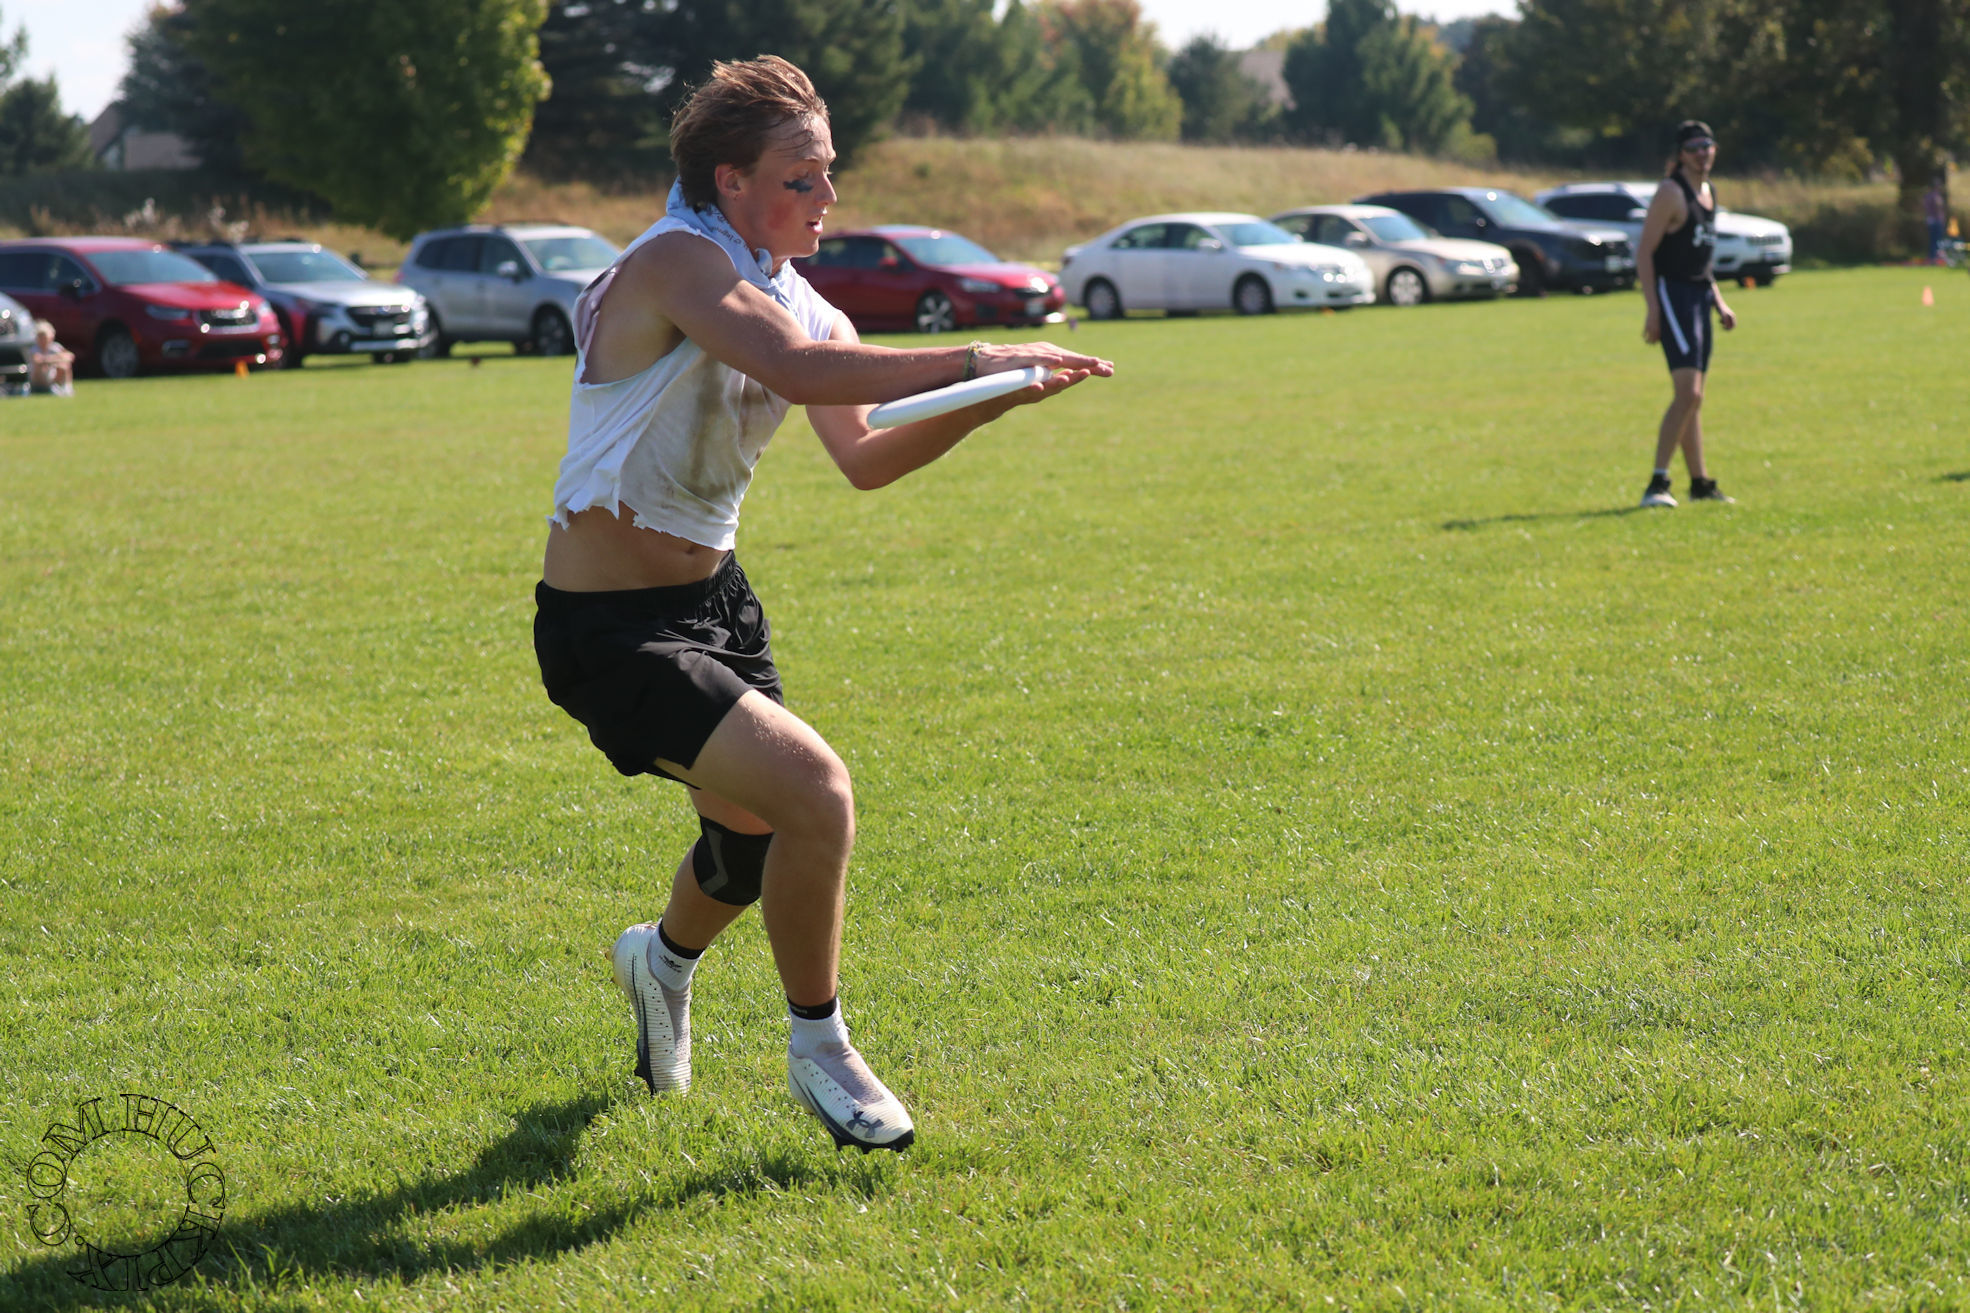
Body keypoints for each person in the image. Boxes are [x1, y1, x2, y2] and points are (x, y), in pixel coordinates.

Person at [532, 56, 1111, 1153]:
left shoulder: (805, 301)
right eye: (802, 178)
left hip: (715, 603)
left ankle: (659, 961)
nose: (828, 197)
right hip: (607, 628)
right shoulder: (676, 261)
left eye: (829, 172)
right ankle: (820, 1048)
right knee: (816, 793)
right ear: (729, 179)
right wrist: (977, 350)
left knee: (748, 837)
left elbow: (864, 458)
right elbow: (796, 371)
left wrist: (985, 400)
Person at [1636, 120, 1737, 508]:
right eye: (1693, 148)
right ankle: (1657, 484)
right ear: (1680, 155)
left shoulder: (1709, 192)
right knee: (1688, 393)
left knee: (1693, 398)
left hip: (1698, 298)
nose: (1701, 154)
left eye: (1706, 146)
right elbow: (1645, 252)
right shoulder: (1670, 192)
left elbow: (1701, 261)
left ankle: (1700, 484)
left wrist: (1719, 301)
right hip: (1673, 296)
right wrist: (1653, 309)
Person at [28, 320, 75, 396]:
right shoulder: (34, 349)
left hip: (52, 377)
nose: (43, 340)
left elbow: (70, 356)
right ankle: (49, 388)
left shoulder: (55, 347)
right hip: (38, 380)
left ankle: (66, 388)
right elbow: (38, 360)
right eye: (41, 337)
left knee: (64, 366)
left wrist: (51, 360)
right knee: (40, 368)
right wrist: (56, 358)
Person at [1923, 176, 1950, 265]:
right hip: (1936, 220)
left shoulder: (1927, 196)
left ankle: (1933, 257)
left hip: (1930, 220)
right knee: (1937, 240)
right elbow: (1938, 207)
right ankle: (1935, 258)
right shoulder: (1935, 196)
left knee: (1933, 240)